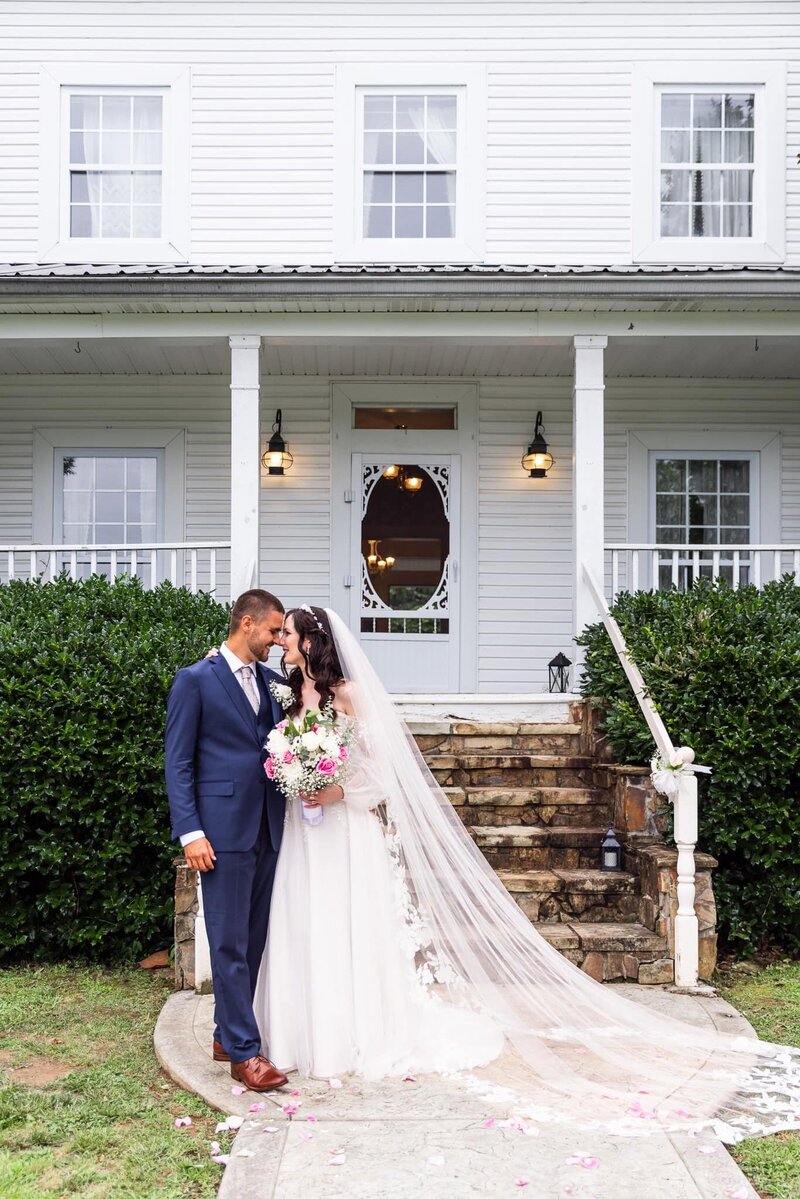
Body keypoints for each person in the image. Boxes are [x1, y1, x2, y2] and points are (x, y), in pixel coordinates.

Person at [255, 603, 800, 1139]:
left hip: (346, 831)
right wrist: (294, 777)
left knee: (347, 929)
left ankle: (348, 1034)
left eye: (290, 634)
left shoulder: (349, 696)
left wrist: (338, 789)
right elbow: (288, 752)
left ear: (312, 641)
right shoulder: (287, 694)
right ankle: (303, 1035)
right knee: (307, 926)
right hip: (305, 835)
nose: (282, 641)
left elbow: (381, 777)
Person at [165, 588, 289, 1093]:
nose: (279, 641)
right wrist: (191, 831)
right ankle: (244, 1053)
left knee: (253, 940)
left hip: (268, 826)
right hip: (219, 832)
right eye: (273, 631)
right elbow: (178, 763)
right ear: (245, 623)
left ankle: (223, 1033)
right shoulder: (195, 680)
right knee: (228, 941)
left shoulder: (274, 683)